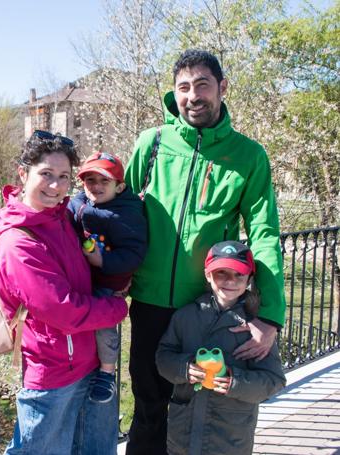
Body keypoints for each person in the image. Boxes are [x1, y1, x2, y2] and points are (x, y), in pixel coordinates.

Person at [123, 49, 286, 454]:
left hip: (208, 310)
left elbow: (264, 233)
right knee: (148, 409)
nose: (193, 96)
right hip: (148, 302)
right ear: (174, 93)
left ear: (222, 88)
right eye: (183, 87)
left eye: (202, 85)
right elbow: (114, 210)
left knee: (202, 410)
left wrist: (269, 316)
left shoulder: (249, 156)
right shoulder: (153, 144)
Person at [0, 130, 129, 454]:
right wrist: (118, 308)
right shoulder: (18, 242)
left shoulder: (63, 218)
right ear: (23, 173)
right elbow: (63, 310)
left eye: (64, 177)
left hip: (90, 365)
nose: (55, 186)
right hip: (53, 375)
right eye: (46, 175)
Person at [155, 240, 286, 454]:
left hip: (229, 438)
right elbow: (164, 357)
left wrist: (235, 382)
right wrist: (184, 368)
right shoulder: (185, 316)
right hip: (183, 435)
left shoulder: (255, 328)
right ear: (208, 275)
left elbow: (274, 380)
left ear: (249, 279)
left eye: (239, 275)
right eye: (221, 273)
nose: (230, 281)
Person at [68, 151, 147, 403]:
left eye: (104, 181)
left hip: (110, 281)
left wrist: (103, 261)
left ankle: (107, 372)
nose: (96, 187)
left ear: (119, 186)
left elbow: (135, 253)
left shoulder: (128, 214)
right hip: (86, 277)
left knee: (103, 326)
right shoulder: (81, 203)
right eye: (90, 180)